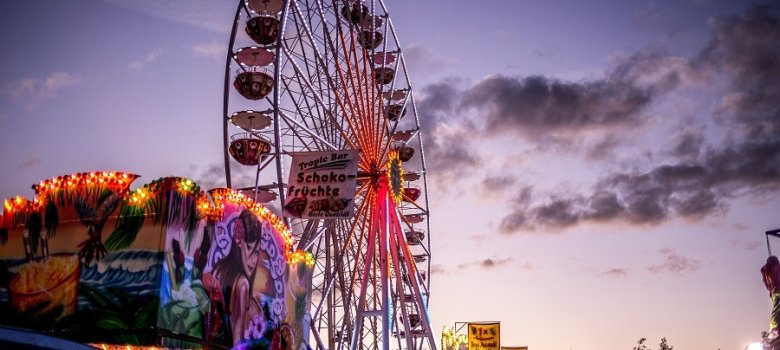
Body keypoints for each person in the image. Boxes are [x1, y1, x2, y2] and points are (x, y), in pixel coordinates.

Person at [762, 256, 780, 342]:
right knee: (776, 309)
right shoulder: (775, 267)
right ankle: (774, 328)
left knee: (776, 309)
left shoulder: (765, 269)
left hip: (775, 291)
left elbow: (766, 283)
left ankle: (774, 328)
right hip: (776, 291)